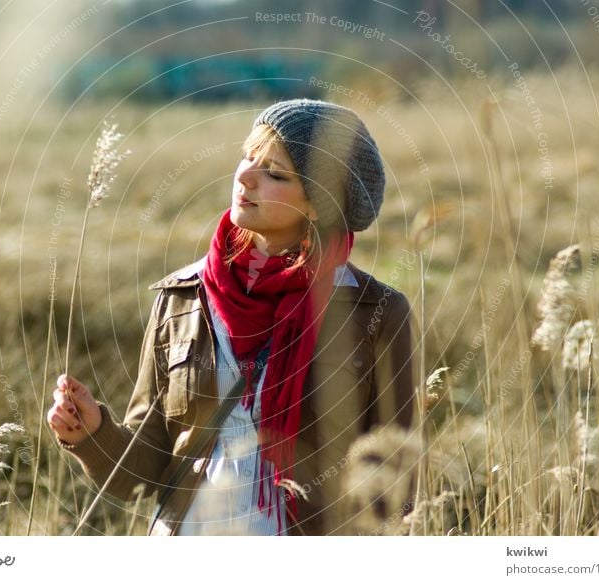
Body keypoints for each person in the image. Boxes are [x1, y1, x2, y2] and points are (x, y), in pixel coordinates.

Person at [47, 99, 415, 535]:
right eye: (248, 157)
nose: (244, 176)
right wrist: (92, 434)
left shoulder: (376, 313)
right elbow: (146, 468)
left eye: (275, 174)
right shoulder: (183, 297)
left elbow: (395, 477)